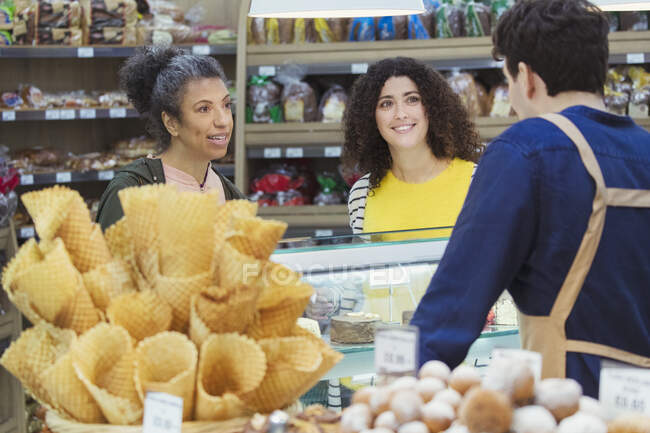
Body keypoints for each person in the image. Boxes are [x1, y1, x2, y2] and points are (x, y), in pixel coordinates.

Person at [411, 0, 650, 398]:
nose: (512, 101)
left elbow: (454, 305)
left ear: (526, 76)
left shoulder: (524, 150)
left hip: (572, 409)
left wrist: (390, 388)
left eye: (508, 83)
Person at [96, 46, 245, 230]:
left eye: (226, 105)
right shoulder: (130, 191)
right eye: (204, 109)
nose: (223, 121)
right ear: (172, 123)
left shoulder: (231, 195)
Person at [343, 57, 483, 236]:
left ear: (432, 108)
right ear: (371, 117)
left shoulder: (477, 182)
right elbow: (365, 264)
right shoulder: (361, 195)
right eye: (386, 103)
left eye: (412, 99)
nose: (400, 114)